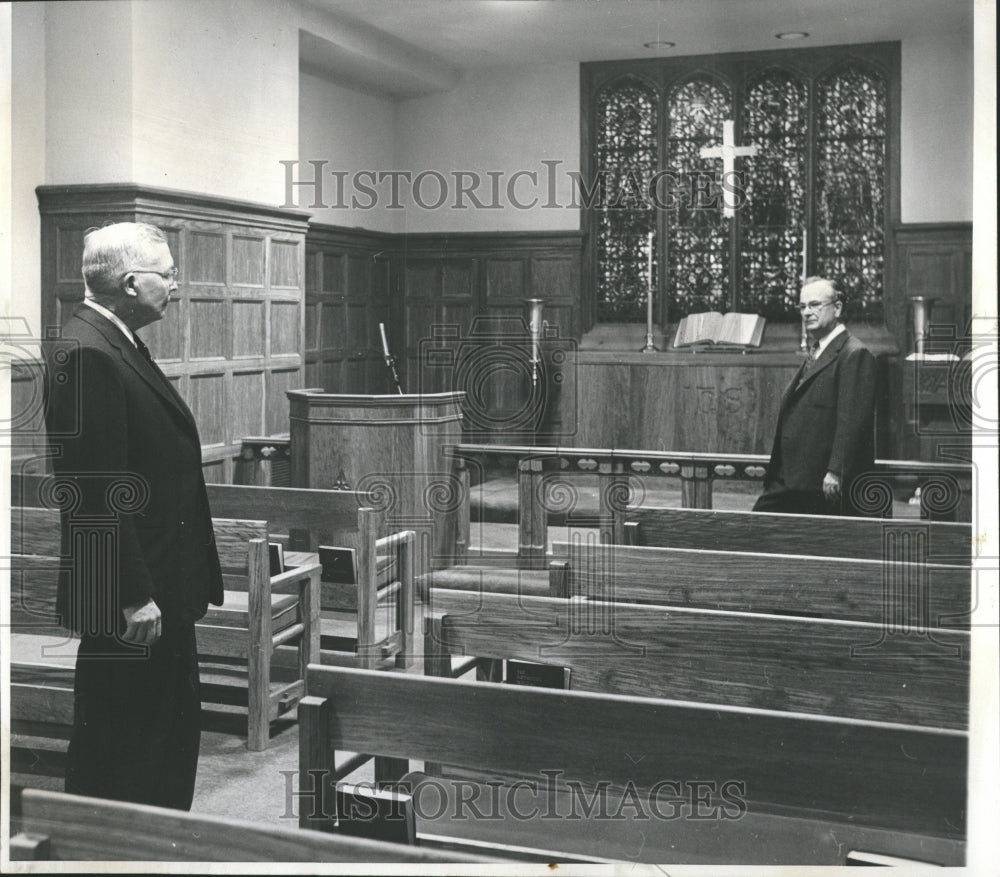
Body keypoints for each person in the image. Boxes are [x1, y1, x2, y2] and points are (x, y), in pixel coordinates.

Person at [44, 222, 223, 810]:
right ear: (129, 282)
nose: (177, 284)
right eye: (168, 275)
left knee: (160, 737)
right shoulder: (90, 352)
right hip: (136, 597)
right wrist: (131, 594)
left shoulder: (111, 339)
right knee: (128, 750)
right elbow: (94, 494)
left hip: (159, 582)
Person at [753, 276, 876, 516]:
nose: (807, 312)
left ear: (837, 308)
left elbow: (853, 420)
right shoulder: (818, 350)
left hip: (821, 481)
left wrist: (837, 471)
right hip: (792, 477)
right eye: (802, 306)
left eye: (815, 305)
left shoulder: (854, 353)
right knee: (757, 533)